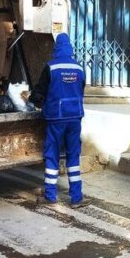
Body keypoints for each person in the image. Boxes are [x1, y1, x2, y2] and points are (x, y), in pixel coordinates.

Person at [24, 33, 89, 208]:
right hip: (75, 118)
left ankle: (50, 195)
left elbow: (39, 94)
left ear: (56, 47)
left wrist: (34, 101)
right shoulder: (80, 68)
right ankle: (77, 197)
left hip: (56, 118)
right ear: (70, 47)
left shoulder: (50, 67)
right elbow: (80, 91)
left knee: (52, 155)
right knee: (73, 156)